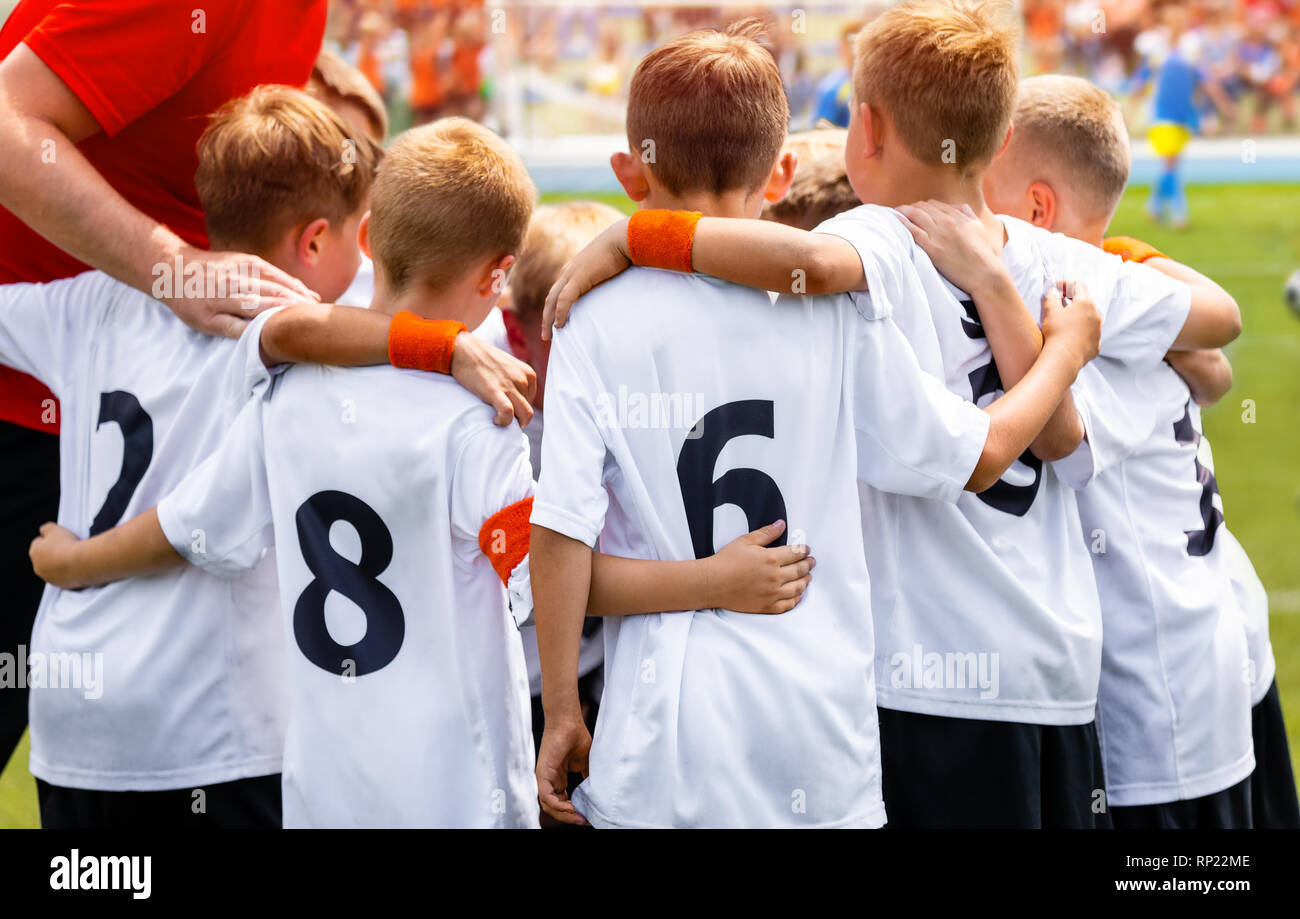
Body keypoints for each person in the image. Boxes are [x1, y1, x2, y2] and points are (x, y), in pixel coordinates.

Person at [545, 0, 1240, 828]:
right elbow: (1208, 330)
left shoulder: (866, 247)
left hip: (872, 685)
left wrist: (639, 237)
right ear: (1001, 141)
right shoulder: (1048, 268)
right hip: (1023, 670)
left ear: (864, 129)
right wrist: (1074, 330)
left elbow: (803, 262)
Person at [30, 118, 814, 828]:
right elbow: (553, 578)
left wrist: (72, 561)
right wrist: (712, 581)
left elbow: (193, 527)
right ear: (498, 275)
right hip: (452, 793)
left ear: (366, 236)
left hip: (322, 792)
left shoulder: (284, 393)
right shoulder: (478, 416)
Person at [0, 85, 381, 827]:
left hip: (76, 716)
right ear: (311, 242)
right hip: (208, 730)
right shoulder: (290, 339)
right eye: (355, 238)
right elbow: (210, 528)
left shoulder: (94, 302)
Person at [982, 73, 1297, 828]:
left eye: (977, 184)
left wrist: (986, 281)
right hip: (1205, 653)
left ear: (1035, 209)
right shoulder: (1119, 300)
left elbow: (1058, 434)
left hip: (1164, 707)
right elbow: (1211, 366)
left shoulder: (1086, 322)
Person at [499, 201, 624, 758]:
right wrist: (714, 580)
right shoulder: (499, 437)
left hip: (599, 686)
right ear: (516, 332)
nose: (591, 353)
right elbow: (552, 577)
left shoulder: (632, 413)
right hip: (517, 696)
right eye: (566, 330)